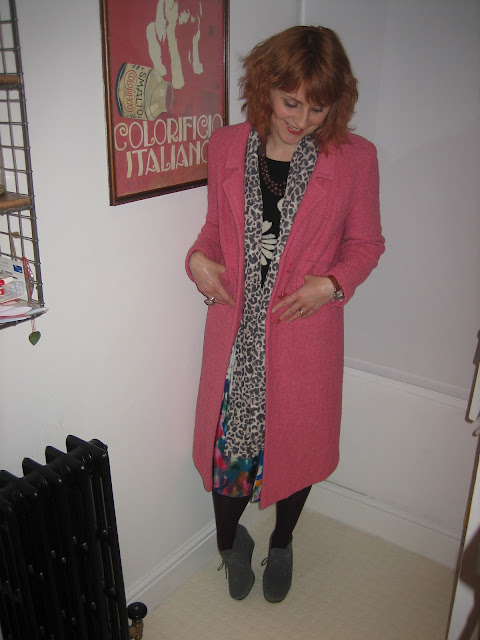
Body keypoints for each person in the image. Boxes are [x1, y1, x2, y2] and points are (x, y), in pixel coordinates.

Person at [185, 25, 385, 603]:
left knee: (296, 449)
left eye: (317, 107)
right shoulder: (226, 147)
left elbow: (366, 244)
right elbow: (215, 230)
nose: (302, 119)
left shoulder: (355, 159)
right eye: (290, 102)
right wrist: (197, 260)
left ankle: (282, 542)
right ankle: (231, 544)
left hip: (304, 334)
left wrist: (334, 284)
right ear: (265, 88)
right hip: (235, 334)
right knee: (228, 453)